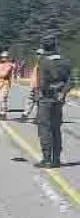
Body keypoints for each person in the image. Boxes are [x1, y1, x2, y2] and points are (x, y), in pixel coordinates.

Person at [34, 35, 74, 168]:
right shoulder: (65, 61)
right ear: (55, 45)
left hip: (46, 98)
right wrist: (63, 93)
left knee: (45, 128)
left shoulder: (43, 61)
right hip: (59, 98)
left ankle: (46, 158)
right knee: (56, 128)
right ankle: (56, 158)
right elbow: (71, 80)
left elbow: (42, 82)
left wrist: (40, 93)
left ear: (44, 46)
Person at [20, 49, 42, 122]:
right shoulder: (37, 64)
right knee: (30, 101)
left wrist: (38, 87)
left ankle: (38, 117)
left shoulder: (43, 65)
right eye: (37, 54)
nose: (38, 56)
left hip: (39, 86)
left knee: (39, 102)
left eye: (39, 54)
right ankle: (25, 115)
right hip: (33, 86)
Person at [0, 51, 15, 119]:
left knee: (2, 99)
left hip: (5, 83)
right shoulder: (0, 64)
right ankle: (0, 113)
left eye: (5, 57)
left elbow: (4, 73)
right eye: (2, 57)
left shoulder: (9, 65)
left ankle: (3, 113)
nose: (3, 58)